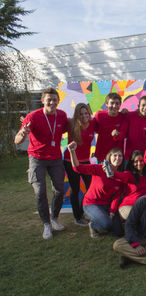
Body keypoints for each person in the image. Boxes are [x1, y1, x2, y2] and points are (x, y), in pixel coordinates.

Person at [15, 88, 69, 239]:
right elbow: (17, 141)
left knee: (59, 190)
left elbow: (68, 128)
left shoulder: (62, 115)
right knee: (40, 192)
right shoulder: (33, 117)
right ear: (43, 100)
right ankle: (46, 224)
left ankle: (54, 219)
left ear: (58, 100)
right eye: (49, 99)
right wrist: (23, 133)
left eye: (54, 99)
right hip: (37, 158)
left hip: (56, 158)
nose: (52, 102)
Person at [68, 142, 125, 238]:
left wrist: (112, 212)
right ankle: (93, 225)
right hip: (91, 203)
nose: (117, 158)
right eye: (115, 155)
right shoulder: (99, 168)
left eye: (120, 156)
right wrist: (72, 152)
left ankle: (104, 220)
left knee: (118, 232)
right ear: (109, 157)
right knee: (107, 224)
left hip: (106, 204)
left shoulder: (120, 175)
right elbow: (77, 168)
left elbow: (117, 196)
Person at [63, 103, 95, 226]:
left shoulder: (93, 123)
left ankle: (83, 212)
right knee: (75, 188)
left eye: (86, 113)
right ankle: (78, 217)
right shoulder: (71, 124)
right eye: (81, 114)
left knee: (90, 188)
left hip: (85, 161)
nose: (84, 116)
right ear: (77, 115)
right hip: (70, 160)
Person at [112, 150, 146, 220]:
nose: (139, 163)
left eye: (141, 161)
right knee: (139, 215)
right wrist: (109, 171)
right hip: (127, 206)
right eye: (136, 161)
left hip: (144, 207)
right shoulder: (129, 174)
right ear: (132, 163)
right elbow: (119, 175)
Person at [123, 96, 146, 162]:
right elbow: (122, 132)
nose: (145, 108)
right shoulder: (129, 116)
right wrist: (121, 112)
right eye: (143, 105)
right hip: (130, 156)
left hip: (145, 156)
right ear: (138, 106)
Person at [94, 93, 127, 162]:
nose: (114, 106)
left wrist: (118, 135)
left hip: (116, 158)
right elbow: (92, 128)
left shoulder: (123, 117)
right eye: (112, 103)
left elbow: (124, 134)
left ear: (120, 105)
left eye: (117, 103)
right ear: (106, 104)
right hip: (102, 156)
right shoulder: (99, 116)